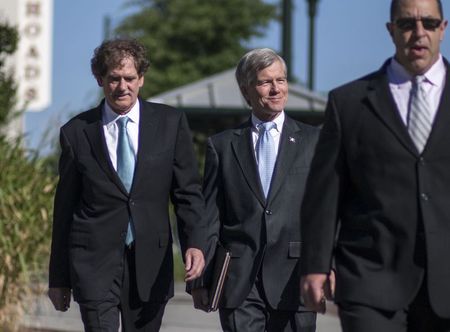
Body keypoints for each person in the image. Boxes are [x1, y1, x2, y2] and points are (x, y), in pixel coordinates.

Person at [300, 0, 450, 331]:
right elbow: (325, 194)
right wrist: (315, 265)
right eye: (407, 24)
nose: (418, 33)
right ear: (391, 29)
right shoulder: (349, 103)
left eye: (428, 22)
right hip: (371, 278)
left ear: (443, 28)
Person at [48, 38, 206, 332]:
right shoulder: (76, 132)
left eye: (130, 78)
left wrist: (195, 243)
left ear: (141, 78)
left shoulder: (170, 123)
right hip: (93, 263)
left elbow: (187, 193)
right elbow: (65, 208)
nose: (123, 87)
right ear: (100, 79)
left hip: (150, 261)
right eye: (114, 79)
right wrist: (58, 278)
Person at [191, 48, 319, 332]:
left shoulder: (314, 142)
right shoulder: (222, 146)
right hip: (240, 283)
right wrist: (201, 281)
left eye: (281, 80)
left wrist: (326, 268)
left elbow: (326, 211)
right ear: (246, 90)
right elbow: (210, 216)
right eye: (265, 82)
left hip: (294, 280)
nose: (275, 89)